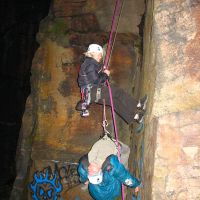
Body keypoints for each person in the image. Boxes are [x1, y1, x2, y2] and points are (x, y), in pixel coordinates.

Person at [76, 43, 148, 124]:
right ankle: (139, 104)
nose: (100, 56)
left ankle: (137, 117)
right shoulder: (90, 64)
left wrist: (103, 73)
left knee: (115, 102)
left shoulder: (88, 64)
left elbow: (93, 79)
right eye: (99, 54)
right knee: (118, 92)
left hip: (91, 95)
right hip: (94, 91)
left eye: (101, 55)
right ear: (92, 53)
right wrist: (105, 74)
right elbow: (96, 81)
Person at [77, 135, 142, 200]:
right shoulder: (111, 165)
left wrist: (84, 181)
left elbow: (82, 174)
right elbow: (125, 177)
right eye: (94, 173)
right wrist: (136, 184)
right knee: (125, 151)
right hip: (113, 191)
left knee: (117, 171)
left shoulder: (84, 165)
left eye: (90, 175)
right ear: (100, 171)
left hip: (97, 194)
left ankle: (87, 183)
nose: (90, 170)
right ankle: (123, 167)